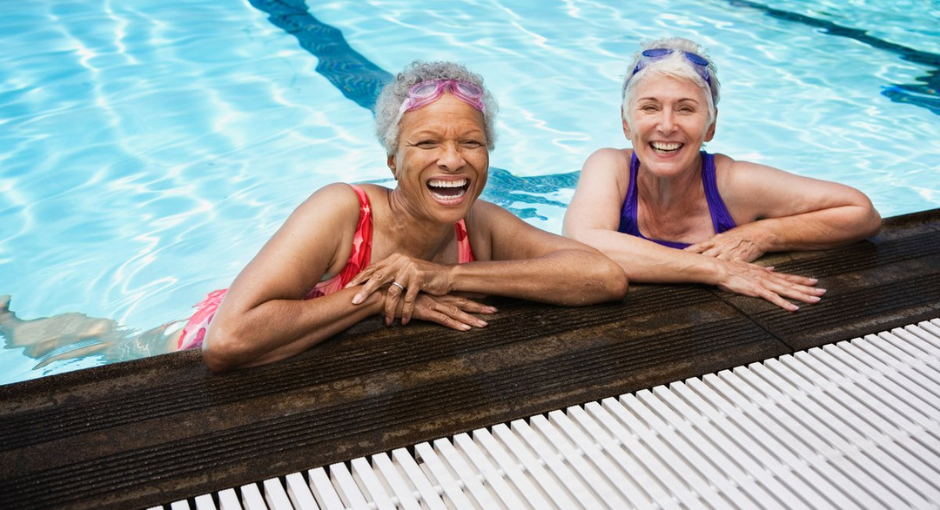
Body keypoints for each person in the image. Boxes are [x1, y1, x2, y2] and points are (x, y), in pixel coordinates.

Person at [185, 60, 629, 372]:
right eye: (427, 143)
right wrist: (380, 298)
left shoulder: (478, 223)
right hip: (208, 328)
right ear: (393, 162)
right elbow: (227, 342)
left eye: (471, 143)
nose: (453, 160)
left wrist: (443, 275)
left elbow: (602, 276)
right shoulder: (343, 211)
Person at [564, 37, 881, 312]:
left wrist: (762, 234)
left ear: (711, 126)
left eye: (686, 109)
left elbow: (861, 213)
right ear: (625, 122)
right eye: (649, 108)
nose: (666, 125)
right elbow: (581, 242)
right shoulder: (610, 167)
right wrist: (717, 270)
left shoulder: (733, 183)